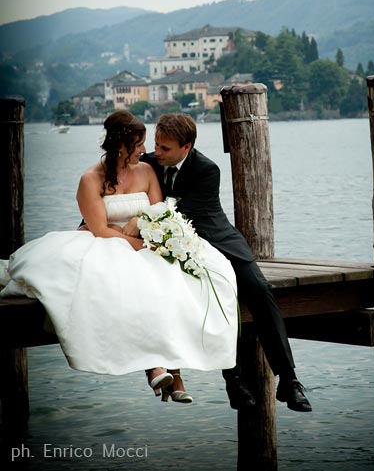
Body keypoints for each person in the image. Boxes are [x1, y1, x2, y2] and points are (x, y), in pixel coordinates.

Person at [0, 111, 238, 404]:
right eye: (139, 144)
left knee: (174, 286)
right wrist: (135, 245)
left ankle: (172, 369)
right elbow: (99, 228)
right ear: (121, 145)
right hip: (107, 243)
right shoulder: (90, 179)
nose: (145, 150)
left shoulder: (147, 171)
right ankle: (158, 369)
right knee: (129, 288)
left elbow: (158, 210)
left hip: (142, 240)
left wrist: (146, 230)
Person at [141, 113, 312, 413]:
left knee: (259, 290)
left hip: (215, 239)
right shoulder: (148, 163)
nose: (158, 152)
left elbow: (183, 214)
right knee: (212, 294)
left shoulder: (207, 169)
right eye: (156, 144)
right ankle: (233, 378)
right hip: (169, 249)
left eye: (165, 148)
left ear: (186, 147)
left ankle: (289, 379)